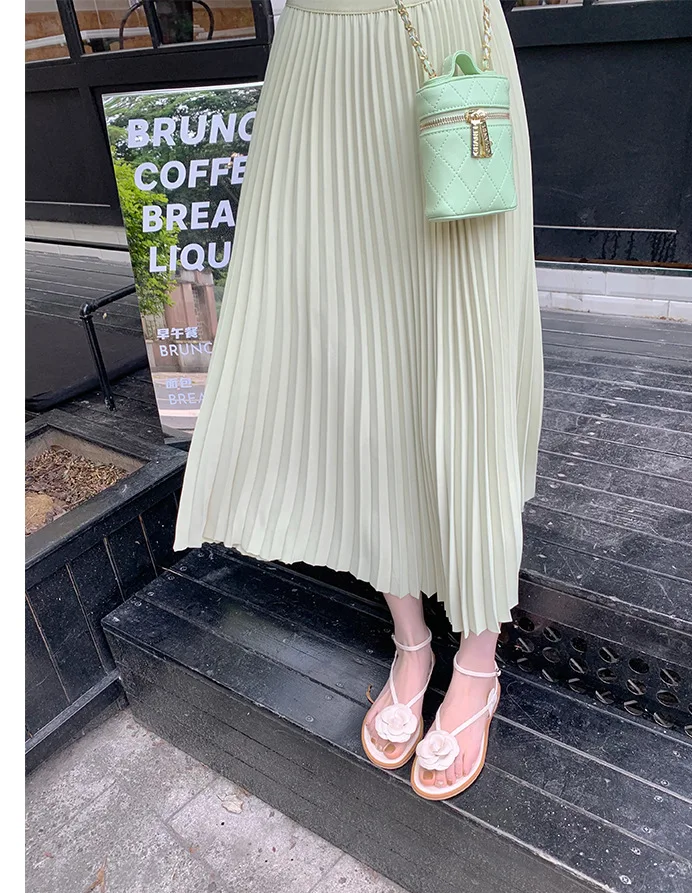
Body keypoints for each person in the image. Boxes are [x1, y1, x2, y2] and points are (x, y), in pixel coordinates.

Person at [174, 0, 544, 801]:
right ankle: (411, 640)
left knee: (466, 339)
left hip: (438, 37)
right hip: (319, 59)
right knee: (353, 352)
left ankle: (478, 661)